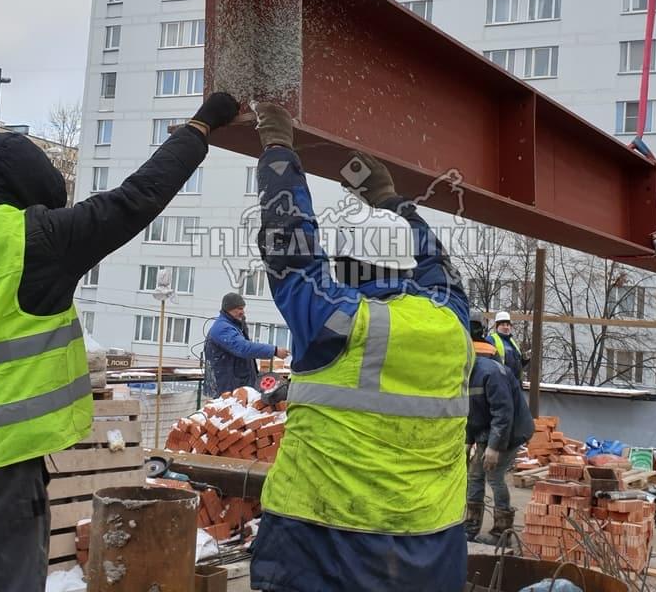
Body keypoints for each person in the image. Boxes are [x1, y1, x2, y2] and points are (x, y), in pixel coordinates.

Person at [0, 93, 241, 592]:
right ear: (31, 185)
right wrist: (201, 126)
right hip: (4, 470)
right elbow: (138, 197)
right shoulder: (39, 237)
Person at [248, 102, 473, 592]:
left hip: (320, 550)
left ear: (347, 267)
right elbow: (440, 268)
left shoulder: (339, 322)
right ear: (404, 267)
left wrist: (278, 149)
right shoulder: (451, 323)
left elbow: (289, 242)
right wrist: (390, 201)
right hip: (430, 556)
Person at [466, 310, 533, 545]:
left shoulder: (488, 372)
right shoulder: (465, 372)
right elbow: (471, 410)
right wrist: (467, 441)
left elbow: (503, 414)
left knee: (493, 475)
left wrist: (494, 447)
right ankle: (470, 527)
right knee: (474, 475)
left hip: (511, 429)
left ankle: (502, 532)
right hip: (490, 428)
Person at [204, 291, 288, 395]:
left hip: (236, 386)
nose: (242, 312)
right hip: (228, 389)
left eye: (243, 308)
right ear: (229, 309)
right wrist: (274, 350)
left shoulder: (233, 325)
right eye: (239, 308)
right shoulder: (223, 328)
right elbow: (243, 348)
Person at [489, 310, 526, 382]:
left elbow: (517, 363)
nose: (506, 327)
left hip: (514, 381)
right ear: (497, 326)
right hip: (501, 381)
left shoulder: (512, 341)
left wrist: (524, 360)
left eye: (508, 325)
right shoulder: (491, 340)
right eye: (502, 325)